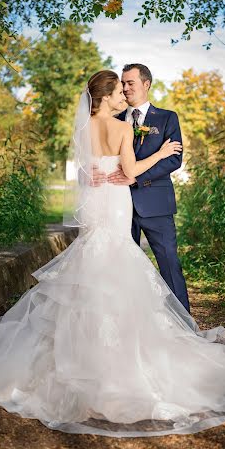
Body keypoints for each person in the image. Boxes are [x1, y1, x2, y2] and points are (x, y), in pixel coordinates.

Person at [0, 70, 225, 438]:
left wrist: (99, 176)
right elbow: (130, 171)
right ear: (105, 96)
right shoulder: (121, 127)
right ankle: (125, 355)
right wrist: (161, 151)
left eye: (127, 86)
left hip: (100, 206)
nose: (123, 93)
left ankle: (82, 355)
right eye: (118, 89)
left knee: (94, 266)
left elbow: (86, 174)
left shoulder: (84, 128)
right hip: (117, 204)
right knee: (120, 263)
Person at [91, 63, 191, 314]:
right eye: (122, 84)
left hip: (155, 204)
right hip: (117, 205)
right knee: (122, 269)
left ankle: (184, 323)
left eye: (130, 83)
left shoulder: (167, 118)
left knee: (169, 262)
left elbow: (173, 159)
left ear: (146, 84)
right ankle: (128, 322)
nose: (124, 88)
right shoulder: (112, 119)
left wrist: (135, 179)